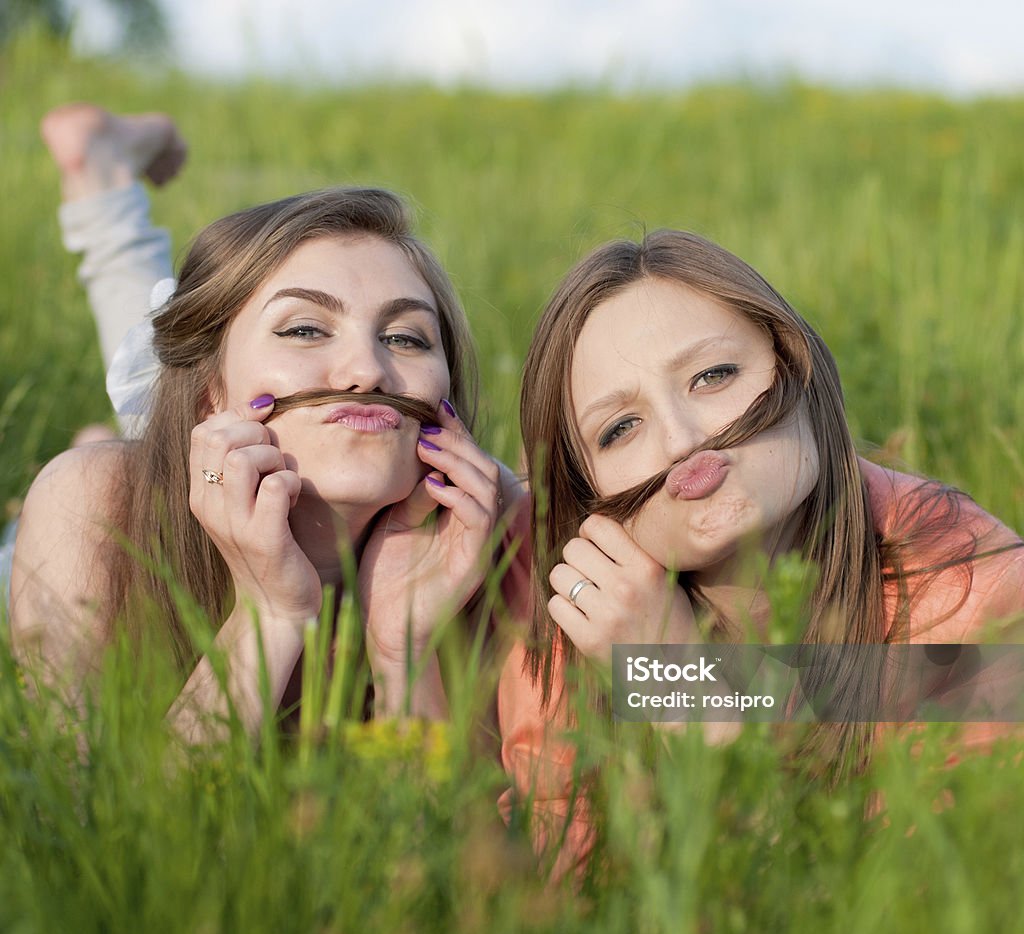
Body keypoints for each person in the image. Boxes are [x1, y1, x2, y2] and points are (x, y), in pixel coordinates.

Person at [499, 228, 1024, 877]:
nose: (682, 441)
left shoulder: (970, 588)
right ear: (587, 494)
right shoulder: (576, 631)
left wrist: (687, 693)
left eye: (712, 376)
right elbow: (571, 916)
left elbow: (909, 926)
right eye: (619, 427)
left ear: (796, 368)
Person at [11, 105, 527, 743]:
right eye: (305, 328)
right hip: (155, 479)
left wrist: (405, 658)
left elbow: (451, 840)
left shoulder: (504, 530)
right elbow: (84, 835)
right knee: (145, 404)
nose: (367, 369)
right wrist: (270, 613)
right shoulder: (91, 508)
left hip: (218, 427)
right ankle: (103, 172)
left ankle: (102, 166)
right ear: (210, 393)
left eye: (406, 337)